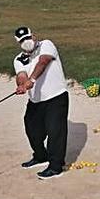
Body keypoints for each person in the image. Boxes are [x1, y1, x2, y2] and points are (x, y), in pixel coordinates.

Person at [12, 26, 69, 180]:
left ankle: (56, 166)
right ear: (18, 43)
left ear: (34, 36)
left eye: (28, 38)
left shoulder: (46, 44)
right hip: (36, 101)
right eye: (22, 40)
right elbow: (21, 75)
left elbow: (43, 62)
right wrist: (22, 85)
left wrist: (32, 80)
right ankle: (40, 156)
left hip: (56, 96)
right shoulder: (19, 59)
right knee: (32, 129)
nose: (26, 42)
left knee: (55, 131)